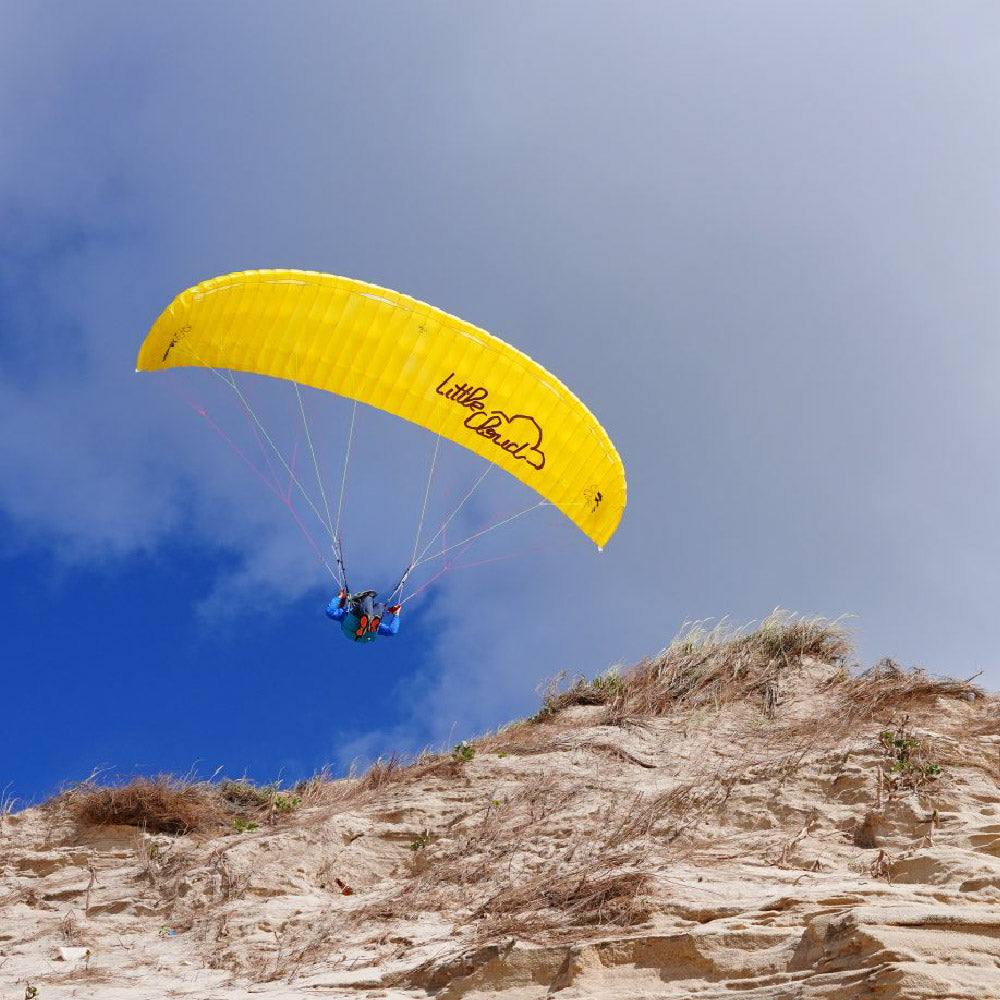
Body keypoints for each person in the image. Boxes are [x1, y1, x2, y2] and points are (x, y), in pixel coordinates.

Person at [326, 588, 401, 644]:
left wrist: (339, 597)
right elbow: (392, 631)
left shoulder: (344, 613)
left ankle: (367, 618)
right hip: (367, 635)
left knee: (379, 606)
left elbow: (330, 612)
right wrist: (396, 615)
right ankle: (369, 621)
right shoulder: (347, 611)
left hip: (351, 626)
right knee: (379, 605)